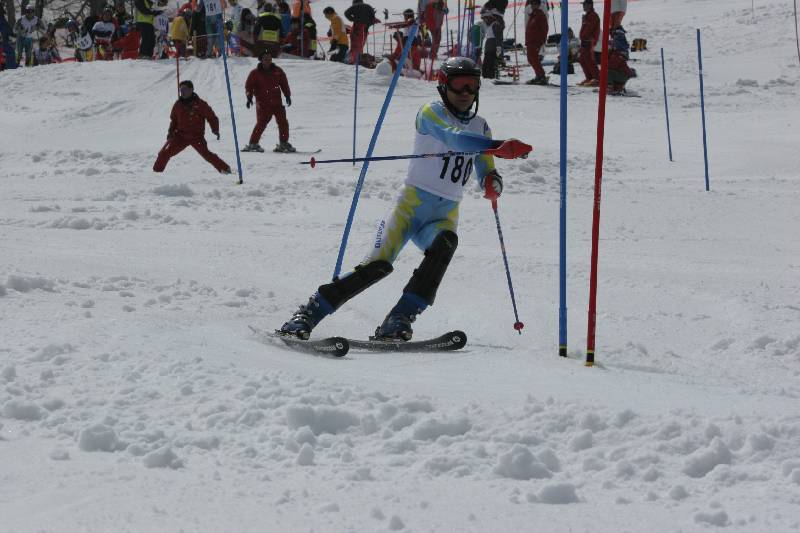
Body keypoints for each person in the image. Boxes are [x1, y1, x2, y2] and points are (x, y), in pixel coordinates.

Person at [277, 57, 531, 342]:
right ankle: (308, 313)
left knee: (445, 245)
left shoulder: (481, 127)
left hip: (445, 213)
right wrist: (498, 147)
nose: (465, 93)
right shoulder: (431, 112)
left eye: (472, 86)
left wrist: (492, 183)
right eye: (459, 85)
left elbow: (485, 168)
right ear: (443, 86)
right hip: (410, 207)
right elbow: (454, 139)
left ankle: (399, 318)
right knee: (377, 266)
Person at [153, 80, 232, 174]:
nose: (182, 92)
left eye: (184, 89)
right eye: (181, 89)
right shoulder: (178, 105)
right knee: (164, 153)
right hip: (181, 136)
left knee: (207, 155)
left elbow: (212, 117)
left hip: (196, 137)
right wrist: (171, 132)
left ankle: (225, 169)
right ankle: (156, 173)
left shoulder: (200, 104)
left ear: (191, 89)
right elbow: (174, 120)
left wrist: (215, 129)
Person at [242, 50, 294, 153]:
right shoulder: (255, 73)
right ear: (261, 60)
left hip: (277, 102)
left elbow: (284, 83)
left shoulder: (278, 71)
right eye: (265, 59)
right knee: (261, 123)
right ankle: (253, 144)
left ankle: (283, 143)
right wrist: (249, 97)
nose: (268, 61)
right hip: (263, 103)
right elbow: (249, 86)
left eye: (269, 58)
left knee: (283, 122)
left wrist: (287, 95)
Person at [525, 0, 548, 85]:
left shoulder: (540, 15)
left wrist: (542, 40)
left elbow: (545, 28)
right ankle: (539, 75)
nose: (532, 5)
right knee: (530, 59)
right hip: (530, 41)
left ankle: (541, 75)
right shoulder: (532, 15)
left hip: (536, 41)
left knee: (533, 58)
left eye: (534, 4)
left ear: (538, 5)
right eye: (531, 3)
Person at [578, 0, 600, 86]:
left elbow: (589, 29)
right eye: (583, 4)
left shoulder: (593, 16)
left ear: (590, 5)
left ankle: (597, 78)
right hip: (585, 41)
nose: (583, 6)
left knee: (589, 60)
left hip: (589, 41)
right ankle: (589, 78)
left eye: (585, 4)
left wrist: (585, 36)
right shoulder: (588, 16)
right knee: (582, 59)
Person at [607, 26, 634, 95]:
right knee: (607, 71)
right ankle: (617, 87)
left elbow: (611, 65)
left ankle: (610, 87)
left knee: (606, 72)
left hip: (623, 75)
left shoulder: (617, 54)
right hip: (622, 74)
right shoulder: (615, 52)